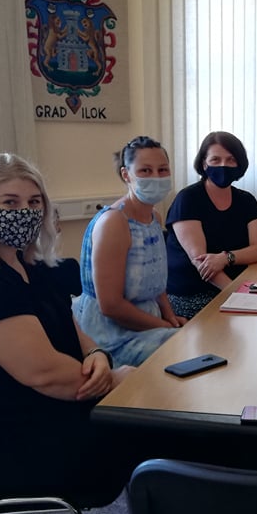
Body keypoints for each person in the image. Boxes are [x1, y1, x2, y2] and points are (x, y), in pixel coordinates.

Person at [0, 153, 135, 503]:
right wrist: (118, 380)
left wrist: (97, 353)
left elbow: (71, 327)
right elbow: (46, 375)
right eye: (10, 202)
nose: (25, 211)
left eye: (34, 202)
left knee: (157, 419)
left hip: (51, 415)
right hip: (16, 449)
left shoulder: (28, 264)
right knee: (156, 427)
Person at [73, 136, 186, 368]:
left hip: (150, 322)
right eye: (145, 170)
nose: (156, 177)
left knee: (197, 342)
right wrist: (165, 327)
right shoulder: (114, 223)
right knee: (187, 351)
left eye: (162, 170)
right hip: (112, 335)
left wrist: (170, 318)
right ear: (126, 175)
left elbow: (157, 284)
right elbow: (110, 306)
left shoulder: (155, 218)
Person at [165, 131, 257, 318]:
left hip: (238, 287)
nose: (223, 166)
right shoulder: (188, 199)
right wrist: (238, 295)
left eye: (230, 160)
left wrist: (226, 258)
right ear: (204, 164)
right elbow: (201, 262)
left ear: (239, 164)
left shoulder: (246, 200)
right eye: (215, 160)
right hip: (192, 294)